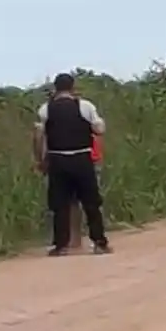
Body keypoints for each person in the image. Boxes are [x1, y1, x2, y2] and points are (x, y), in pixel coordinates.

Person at [33, 73, 112, 256]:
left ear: (55, 88)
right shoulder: (85, 106)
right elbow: (99, 130)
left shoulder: (46, 109)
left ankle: (61, 245)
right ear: (73, 87)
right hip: (82, 158)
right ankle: (99, 242)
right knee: (91, 202)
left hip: (57, 159)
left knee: (60, 204)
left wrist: (41, 160)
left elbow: (39, 136)